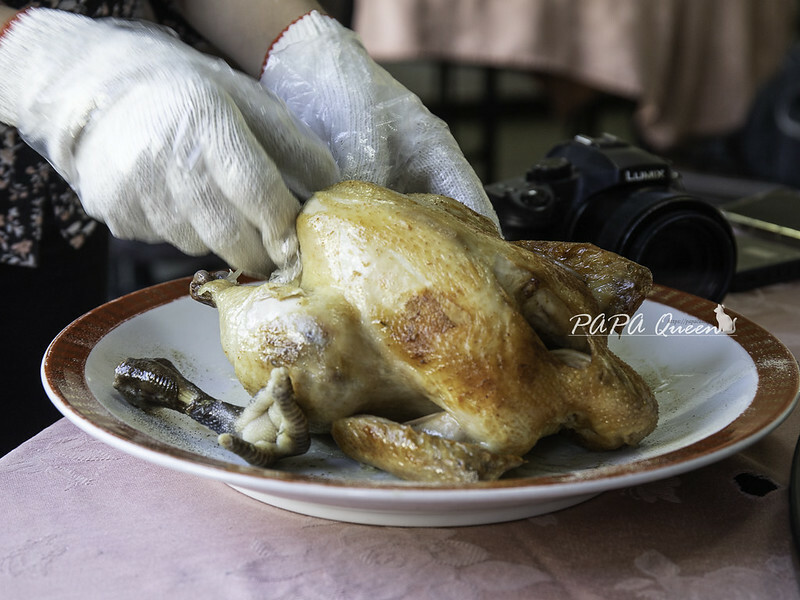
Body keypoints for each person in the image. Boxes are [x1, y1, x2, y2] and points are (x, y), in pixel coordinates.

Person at [0, 0, 498, 455]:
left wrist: (301, 45)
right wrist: (38, 65)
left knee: (56, 433)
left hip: (65, 211)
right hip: (64, 129)